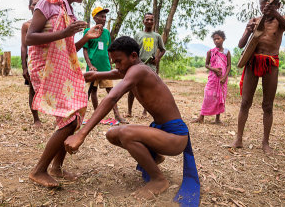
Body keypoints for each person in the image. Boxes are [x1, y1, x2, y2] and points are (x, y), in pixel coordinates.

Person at [64, 36, 200, 205]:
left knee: (126, 133)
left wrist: (81, 134)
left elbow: (112, 97)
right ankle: (154, 157)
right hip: (163, 133)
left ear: (134, 56)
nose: (117, 66)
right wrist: (69, 76)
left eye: (119, 61)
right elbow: (94, 75)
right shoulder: (128, 70)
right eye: (114, 62)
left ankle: (159, 180)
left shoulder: (139, 70)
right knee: (112, 134)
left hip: (175, 137)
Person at [25, 0, 103, 187]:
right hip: (46, 68)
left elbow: (66, 48)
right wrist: (66, 32)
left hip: (63, 68)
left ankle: (56, 167)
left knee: (76, 114)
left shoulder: (68, 12)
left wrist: (85, 37)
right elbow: (30, 38)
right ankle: (39, 170)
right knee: (69, 121)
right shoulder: (47, 4)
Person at [231, 0, 285, 155]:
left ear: (277, 5)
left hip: (271, 63)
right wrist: (248, 30)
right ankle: (239, 138)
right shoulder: (255, 21)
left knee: (267, 105)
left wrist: (275, 14)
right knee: (245, 102)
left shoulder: (282, 20)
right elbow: (240, 44)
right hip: (253, 62)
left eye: (268, 7)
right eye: (262, 8)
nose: (264, 11)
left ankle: (265, 143)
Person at [83, 6, 127, 124]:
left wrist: (111, 63)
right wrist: (90, 65)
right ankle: (98, 115)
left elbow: (108, 49)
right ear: (95, 18)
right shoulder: (88, 31)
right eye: (101, 16)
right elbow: (85, 50)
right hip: (94, 67)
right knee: (93, 90)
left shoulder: (107, 32)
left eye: (105, 16)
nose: (104, 18)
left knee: (111, 91)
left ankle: (117, 115)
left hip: (105, 66)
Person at [127, 13, 166, 117]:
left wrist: (157, 58)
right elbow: (133, 49)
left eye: (151, 20)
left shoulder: (157, 36)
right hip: (138, 65)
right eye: (147, 19)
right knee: (132, 88)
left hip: (151, 66)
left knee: (148, 89)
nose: (149, 21)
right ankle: (129, 111)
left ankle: (145, 112)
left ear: (154, 22)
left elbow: (163, 50)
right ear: (143, 21)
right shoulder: (138, 35)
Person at [192, 30, 231, 124]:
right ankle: (201, 117)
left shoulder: (226, 52)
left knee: (220, 96)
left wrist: (224, 77)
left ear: (223, 39)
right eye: (214, 39)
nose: (216, 41)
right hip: (213, 78)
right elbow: (206, 65)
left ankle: (217, 119)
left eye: (218, 38)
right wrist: (214, 69)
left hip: (222, 79)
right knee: (208, 95)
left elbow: (229, 65)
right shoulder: (210, 52)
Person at [21, 0, 42, 127]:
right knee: (33, 90)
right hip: (33, 61)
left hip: (47, 60)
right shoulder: (26, 25)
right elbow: (24, 46)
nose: (36, 6)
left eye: (39, 3)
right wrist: (24, 67)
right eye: (34, 4)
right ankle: (36, 119)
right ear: (30, 7)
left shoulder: (48, 23)